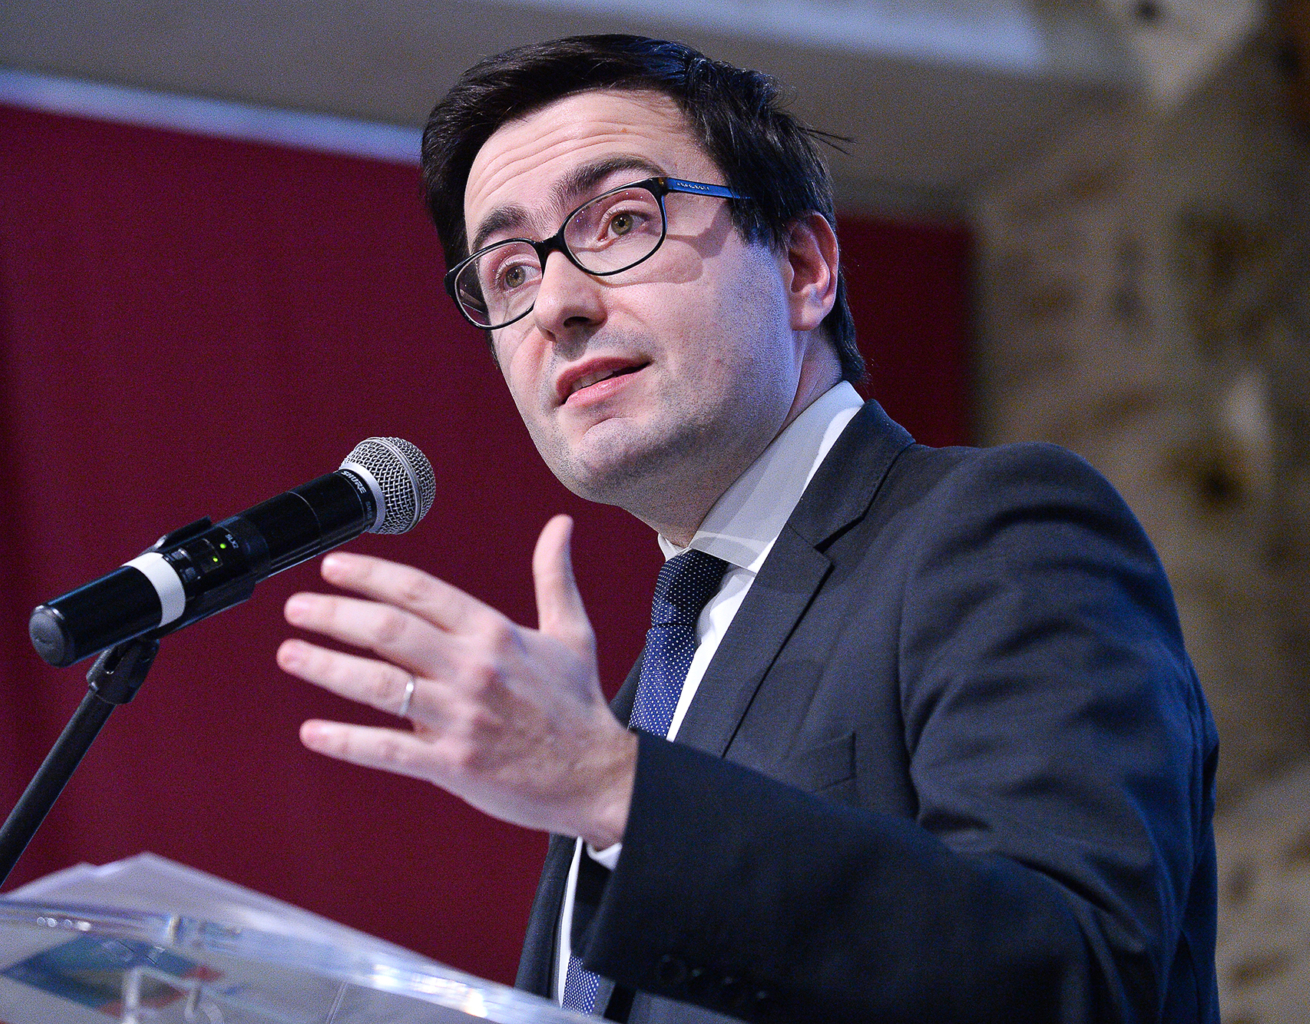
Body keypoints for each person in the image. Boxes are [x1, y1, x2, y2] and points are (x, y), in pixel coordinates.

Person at [274, 34, 1219, 1024]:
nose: (555, 305)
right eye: (509, 272)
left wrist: (613, 787)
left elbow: (1079, 978)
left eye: (622, 221)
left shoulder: (997, 530)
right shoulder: (646, 699)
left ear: (804, 267)